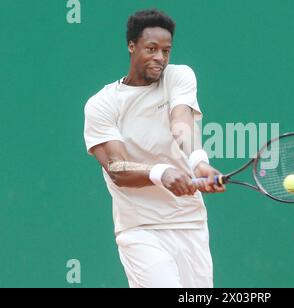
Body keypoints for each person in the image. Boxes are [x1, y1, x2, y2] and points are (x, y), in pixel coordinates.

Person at [83, 8, 225, 288]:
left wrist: (198, 162)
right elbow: (117, 169)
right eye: (151, 49)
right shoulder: (102, 104)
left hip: (190, 224)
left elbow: (181, 122)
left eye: (166, 50)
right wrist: (161, 173)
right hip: (140, 231)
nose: (160, 58)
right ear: (131, 46)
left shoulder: (178, 77)